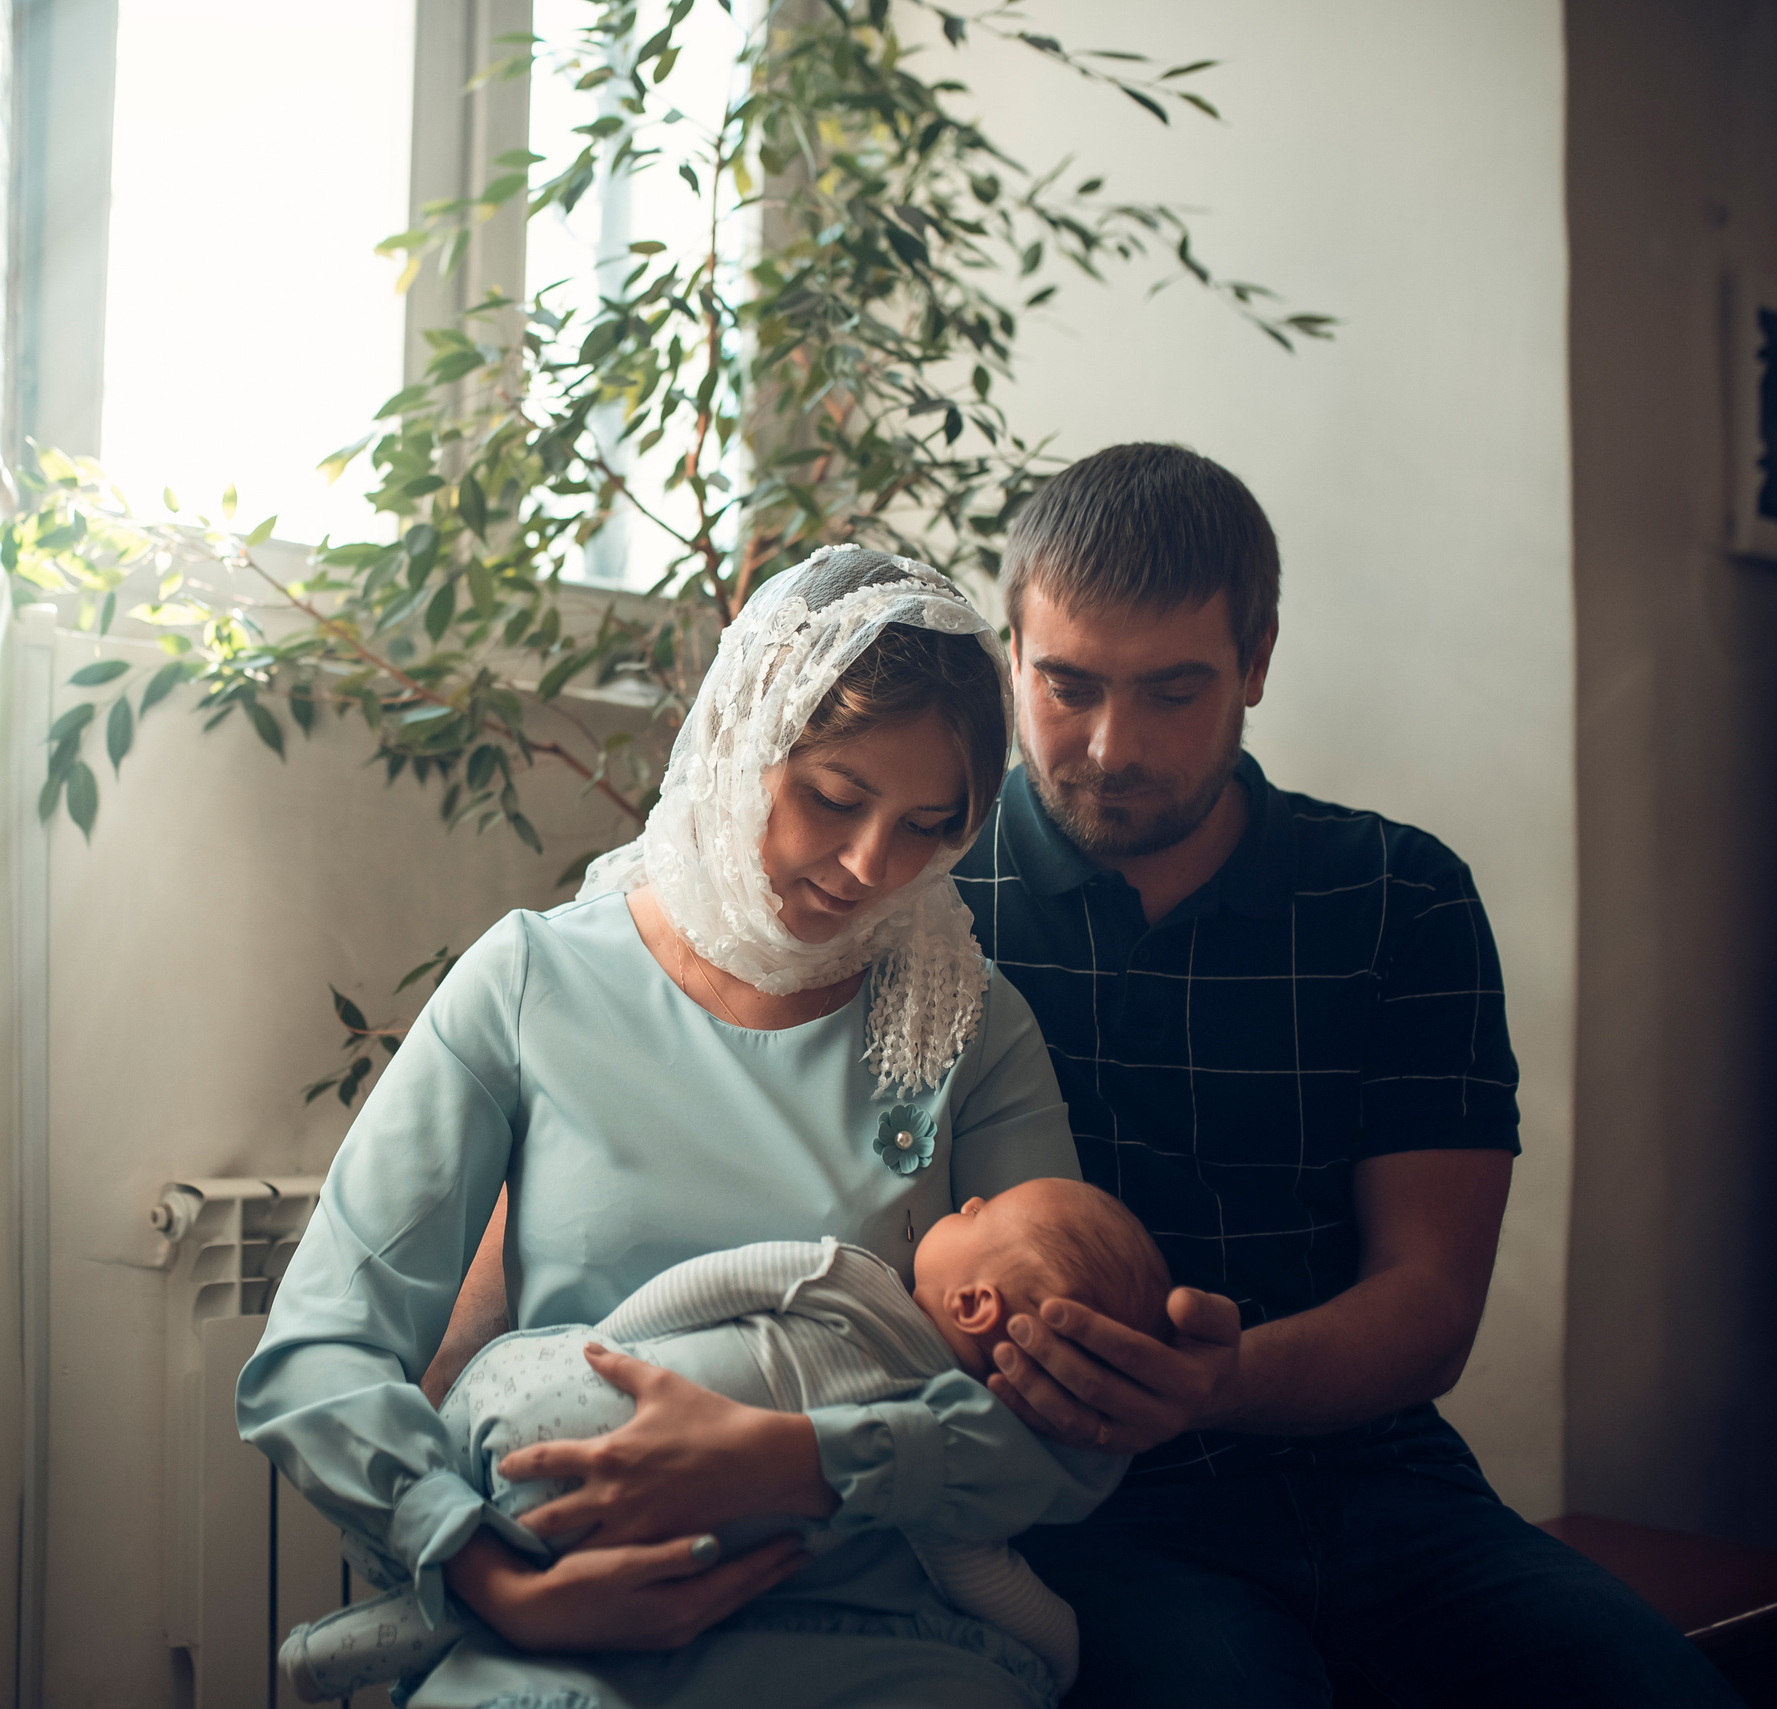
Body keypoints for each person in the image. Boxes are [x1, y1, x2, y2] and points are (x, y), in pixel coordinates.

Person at [239, 550, 1121, 1709]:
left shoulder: (968, 1022)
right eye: (834, 797)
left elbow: (1062, 1429)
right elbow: (318, 1352)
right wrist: (492, 1577)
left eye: (925, 824)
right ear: (739, 741)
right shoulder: (530, 978)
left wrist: (803, 1462)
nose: (871, 866)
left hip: (873, 1630)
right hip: (563, 1614)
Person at [949, 442, 1740, 1708]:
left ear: (1257, 662)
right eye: (1068, 685)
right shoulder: (929, 902)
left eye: (1172, 691)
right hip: (1088, 1506)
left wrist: (1221, 1380)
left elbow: (1429, 1297)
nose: (1108, 746)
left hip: (1384, 1482)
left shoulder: (1396, 896)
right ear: (1011, 654)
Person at [279, 1179, 1173, 1703]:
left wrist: (608, 1353)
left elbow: (712, 1286)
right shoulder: (938, 1430)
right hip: (621, 1503)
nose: (968, 1197)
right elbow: (990, 1582)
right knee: (517, 1573)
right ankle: (357, 1640)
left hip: (557, 1415)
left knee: (537, 1550)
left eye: (979, 1216)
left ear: (978, 1305)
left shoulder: (853, 1281)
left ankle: (390, 1615)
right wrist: (1060, 1652)